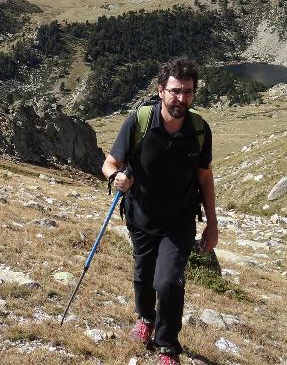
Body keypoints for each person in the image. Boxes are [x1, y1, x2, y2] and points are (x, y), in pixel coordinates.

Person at [102, 57, 217, 365]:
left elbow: (205, 177)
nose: (182, 98)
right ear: (161, 90)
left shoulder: (199, 130)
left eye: (188, 92)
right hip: (140, 216)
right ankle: (145, 318)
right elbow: (109, 163)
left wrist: (212, 225)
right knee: (143, 275)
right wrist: (116, 177)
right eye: (175, 91)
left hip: (179, 220)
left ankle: (167, 345)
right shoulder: (139, 121)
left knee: (168, 281)